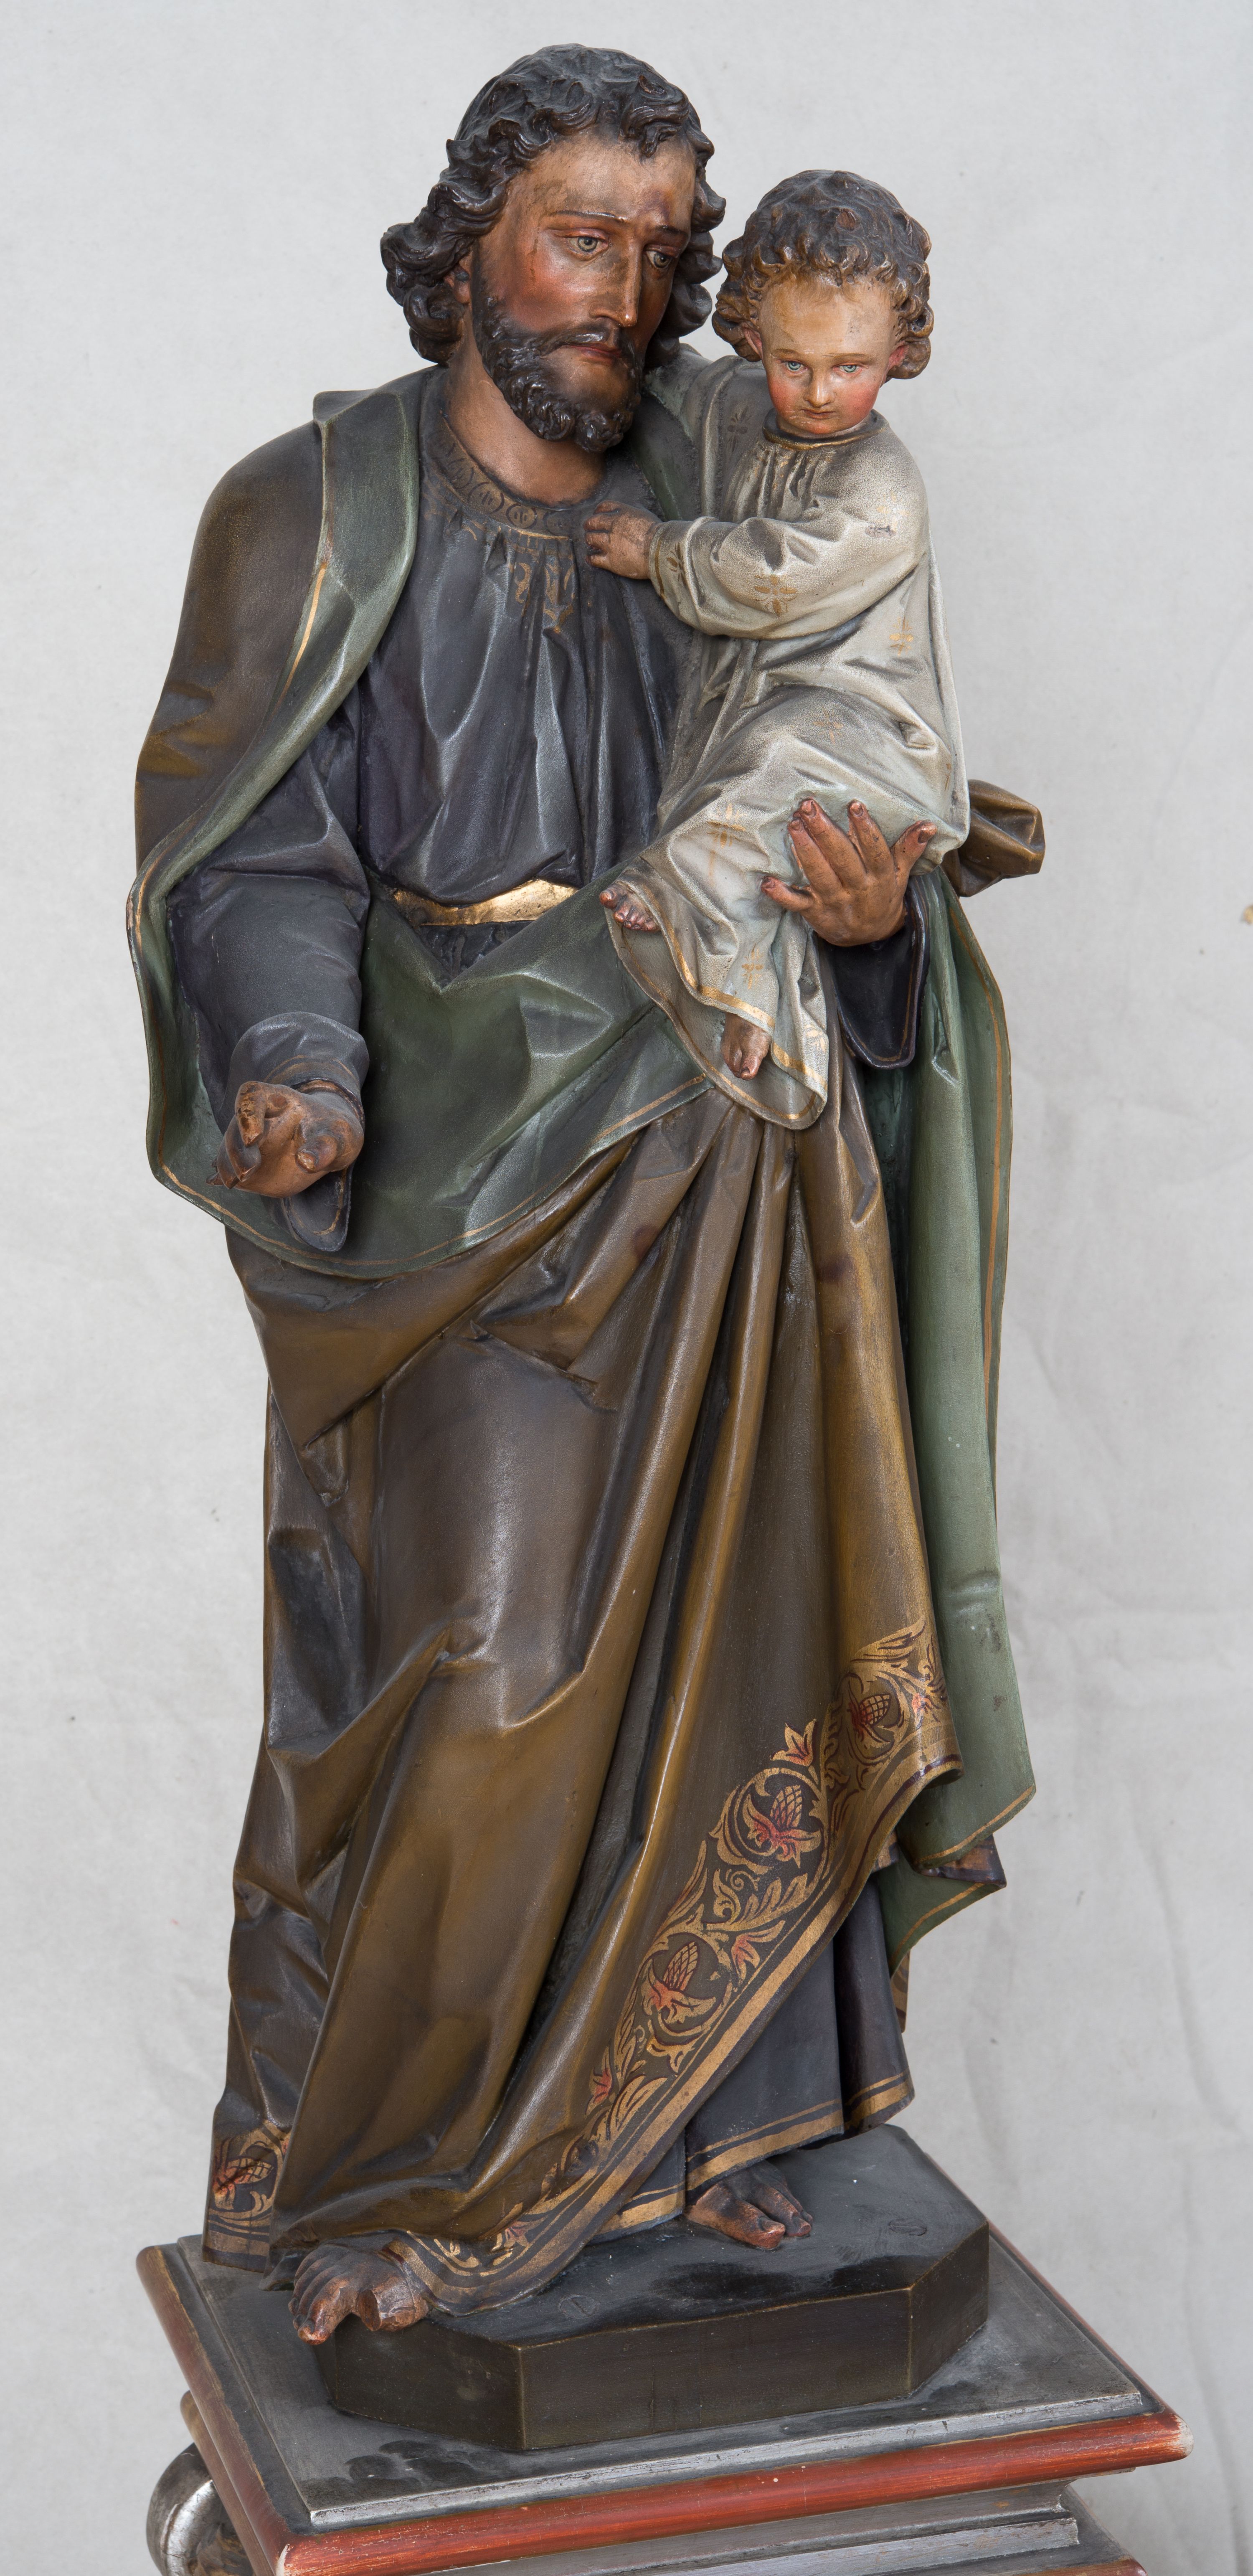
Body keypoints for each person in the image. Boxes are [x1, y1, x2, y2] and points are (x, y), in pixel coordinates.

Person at [130, 45, 1035, 2348]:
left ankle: (702, 2136)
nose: (623, 292)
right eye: (575, 235)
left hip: (717, 1143)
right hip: (455, 1178)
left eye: (660, 246)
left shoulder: (727, 472)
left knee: (758, 1648)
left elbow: (850, 764)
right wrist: (300, 1062)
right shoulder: (315, 509)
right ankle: (404, 2172)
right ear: (468, 245)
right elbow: (244, 853)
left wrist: (869, 928)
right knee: (487, 1657)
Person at [586, 170, 964, 1127]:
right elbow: (673, 383)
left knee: (773, 768)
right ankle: (753, 999)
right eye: (793, 363)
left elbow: (778, 577)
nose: (820, 392)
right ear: (752, 338)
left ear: (901, 353)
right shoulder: (738, 410)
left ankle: (677, 901)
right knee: (759, 816)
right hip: (767, 712)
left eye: (851, 366)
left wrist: (659, 551)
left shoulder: (883, 488)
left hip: (868, 739)